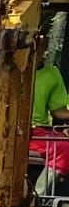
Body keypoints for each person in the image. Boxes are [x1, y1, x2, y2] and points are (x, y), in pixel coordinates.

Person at [30, 49, 69, 181]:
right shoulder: (3, 69)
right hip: (5, 129)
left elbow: (58, 111)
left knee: (65, 146)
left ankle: (38, 192)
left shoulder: (51, 74)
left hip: (37, 132)